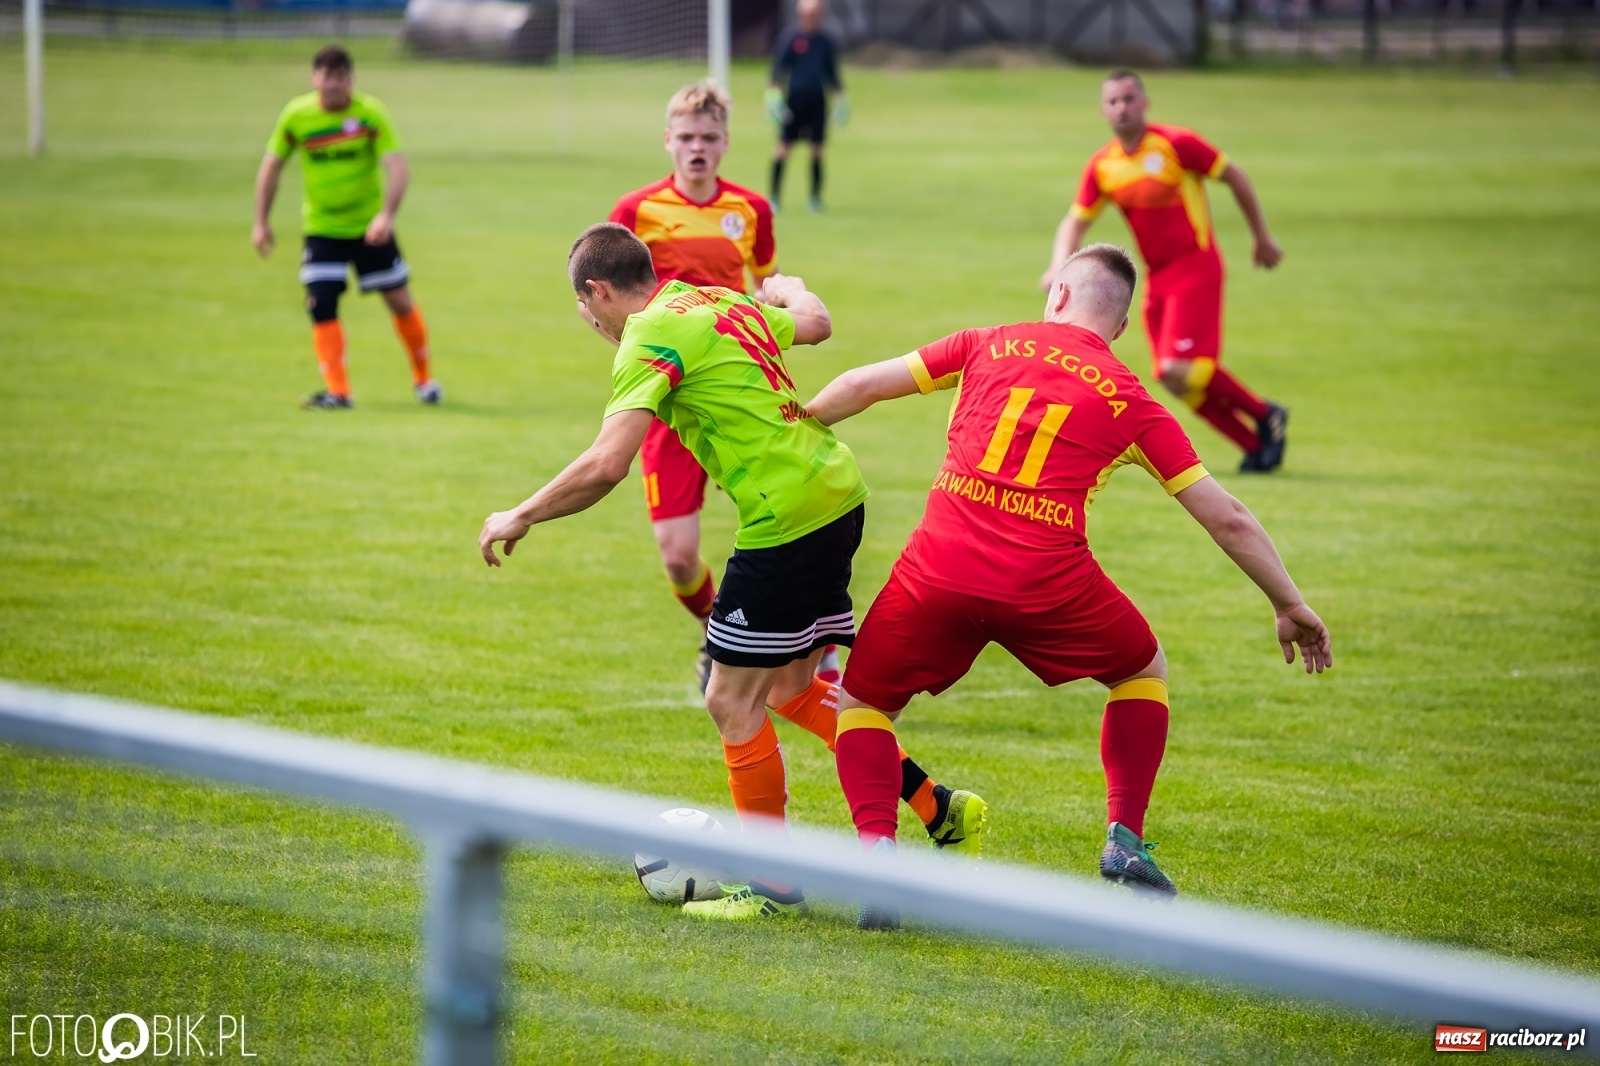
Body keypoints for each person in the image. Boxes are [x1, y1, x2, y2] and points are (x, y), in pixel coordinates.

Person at [806, 245, 1331, 927]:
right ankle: (1124, 839)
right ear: (1118, 328)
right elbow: (1226, 517)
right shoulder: (1133, 400)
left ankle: (877, 857)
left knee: (864, 703)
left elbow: (864, 386)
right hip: (1046, 583)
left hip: (938, 569)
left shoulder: (986, 342)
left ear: (1057, 294)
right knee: (1143, 670)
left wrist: (802, 418)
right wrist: (1289, 603)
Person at [478, 224, 987, 921]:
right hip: (836, 491)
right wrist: (785, 286)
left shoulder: (649, 337)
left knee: (728, 700)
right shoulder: (710, 301)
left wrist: (521, 513)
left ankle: (772, 886)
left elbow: (605, 464)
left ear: (597, 290)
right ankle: (940, 808)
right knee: (786, 688)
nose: (589, 321)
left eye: (584, 307)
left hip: (786, 520)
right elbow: (814, 321)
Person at [607, 81, 802, 690]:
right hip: (669, 402)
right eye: (686, 137)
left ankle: (804, 650)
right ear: (668, 140)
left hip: (737, 394)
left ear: (724, 144)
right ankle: (718, 630)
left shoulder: (750, 210)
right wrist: (638, 362)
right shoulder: (635, 211)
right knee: (677, 555)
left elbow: (766, 288)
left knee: (792, 524)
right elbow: (602, 300)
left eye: (708, 138)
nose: (697, 148)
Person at [1040, 69, 1286, 472]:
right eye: (1113, 101)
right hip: (1155, 276)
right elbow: (1074, 221)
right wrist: (1058, 265)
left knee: (1179, 366)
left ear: (1145, 103)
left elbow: (1235, 175)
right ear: (1103, 110)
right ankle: (1254, 445)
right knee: (1168, 377)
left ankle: (1264, 414)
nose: (1122, 108)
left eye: (1129, 98)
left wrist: (1261, 237)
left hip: (1196, 265)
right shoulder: (1104, 165)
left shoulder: (1176, 144)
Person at [252, 45, 440, 410]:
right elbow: (271, 167)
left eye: (340, 77)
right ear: (314, 78)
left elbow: (397, 167)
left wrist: (386, 214)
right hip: (322, 228)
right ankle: (338, 392)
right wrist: (261, 221)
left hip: (369, 227)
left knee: (399, 300)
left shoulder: (369, 114)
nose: (333, 84)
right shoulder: (297, 116)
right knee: (320, 303)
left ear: (350, 79)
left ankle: (424, 380)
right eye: (326, 76)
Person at [766, 0, 845, 213]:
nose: (812, 17)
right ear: (800, 14)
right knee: (783, 148)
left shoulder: (826, 41)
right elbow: (777, 70)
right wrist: (773, 97)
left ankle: (815, 199)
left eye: (816, 13)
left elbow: (832, 73)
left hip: (817, 101)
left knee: (817, 149)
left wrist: (840, 99)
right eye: (808, 14)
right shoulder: (790, 38)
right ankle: (774, 197)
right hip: (794, 101)